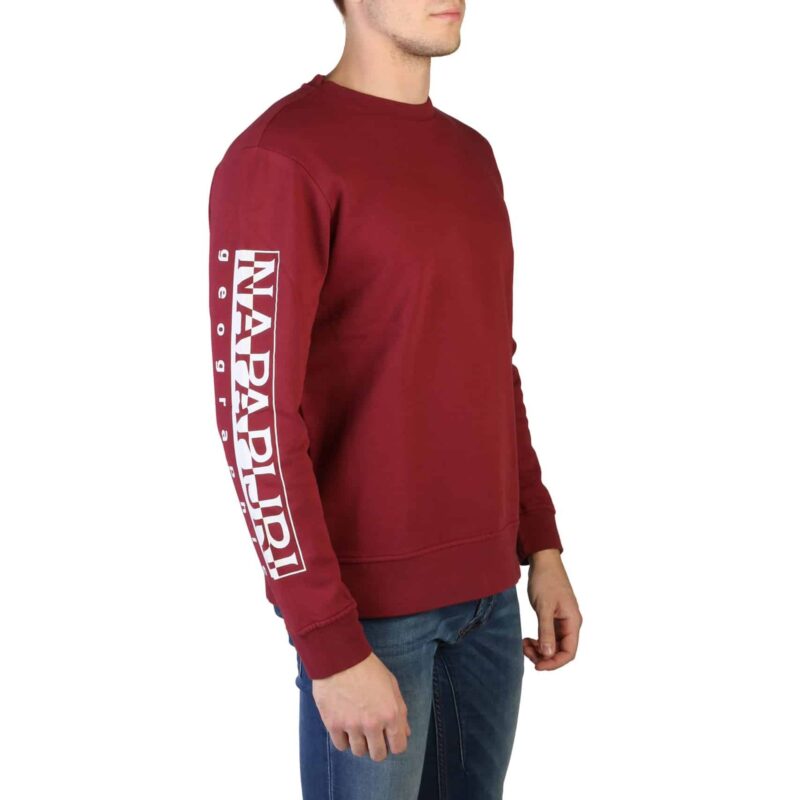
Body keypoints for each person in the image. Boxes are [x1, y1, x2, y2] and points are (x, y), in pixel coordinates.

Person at [207, 1, 582, 796]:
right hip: (370, 619)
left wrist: (540, 545)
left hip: (489, 601)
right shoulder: (281, 158)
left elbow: (491, 365)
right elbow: (254, 419)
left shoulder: (471, 156)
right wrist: (327, 639)